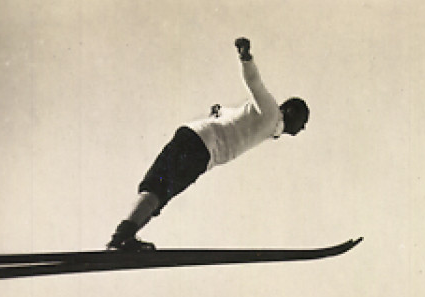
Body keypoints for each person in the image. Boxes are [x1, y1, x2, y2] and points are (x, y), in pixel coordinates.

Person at [107, 38, 309, 252]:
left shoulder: (262, 118)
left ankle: (124, 236)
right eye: (303, 121)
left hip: (191, 134)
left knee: (156, 191)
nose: (303, 128)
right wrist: (246, 57)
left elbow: (230, 115)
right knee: (159, 192)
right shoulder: (272, 114)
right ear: (290, 111)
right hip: (202, 149)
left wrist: (219, 111)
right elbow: (255, 83)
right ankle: (121, 237)